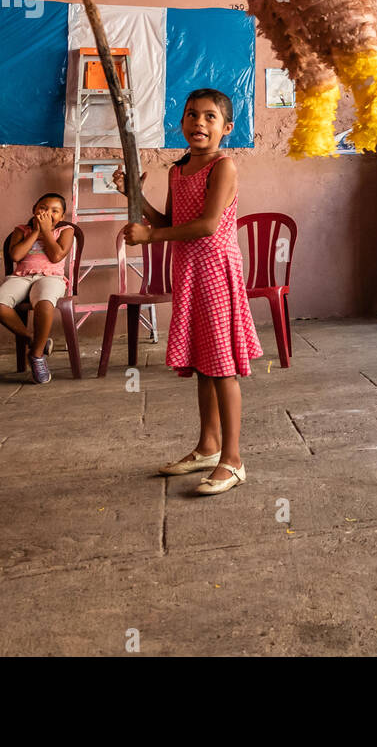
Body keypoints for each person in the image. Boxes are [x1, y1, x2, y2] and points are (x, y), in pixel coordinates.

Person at [118, 88, 261, 496]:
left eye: (210, 117)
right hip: (189, 271)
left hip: (215, 271)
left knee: (222, 366)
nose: (199, 123)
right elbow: (170, 219)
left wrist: (151, 236)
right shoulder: (176, 171)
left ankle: (233, 461)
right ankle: (208, 447)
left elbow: (207, 225)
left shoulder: (224, 166)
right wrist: (135, 197)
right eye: (192, 115)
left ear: (226, 128)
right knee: (203, 362)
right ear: (181, 124)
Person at [0, 192, 75, 384]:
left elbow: (56, 256)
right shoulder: (21, 230)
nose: (48, 213)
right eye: (43, 208)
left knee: (44, 304)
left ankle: (36, 354)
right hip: (21, 277)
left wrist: (46, 232)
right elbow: (16, 256)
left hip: (51, 277)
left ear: (61, 217)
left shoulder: (66, 231)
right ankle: (35, 339)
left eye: (55, 211)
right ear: (34, 210)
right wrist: (36, 231)